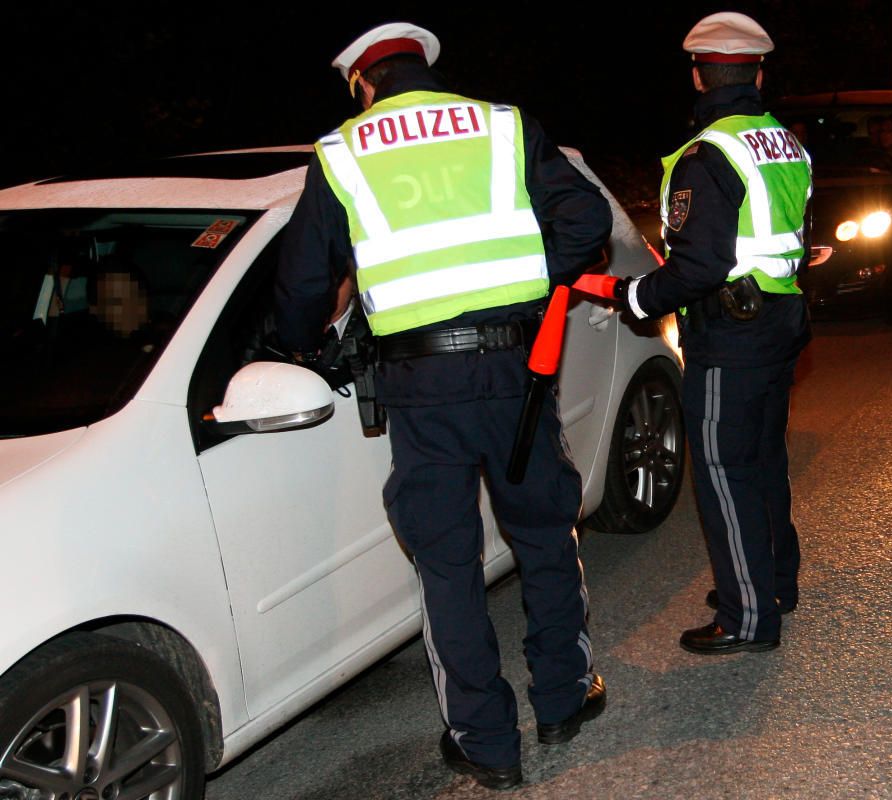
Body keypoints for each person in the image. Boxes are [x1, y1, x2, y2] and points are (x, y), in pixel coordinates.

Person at [274, 22, 612, 790]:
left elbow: (300, 283)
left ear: (361, 81)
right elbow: (586, 221)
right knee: (545, 532)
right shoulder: (501, 124)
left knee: (446, 563)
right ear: (425, 67)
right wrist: (530, 284)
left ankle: (486, 743)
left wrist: (300, 346)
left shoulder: (341, 152)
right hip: (516, 369)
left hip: (422, 388)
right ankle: (563, 699)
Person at [611, 12, 812, 655]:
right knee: (764, 461)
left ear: (698, 75)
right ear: (760, 71)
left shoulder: (708, 154)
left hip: (731, 333)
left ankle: (746, 616)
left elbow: (701, 264)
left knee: (725, 471)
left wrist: (639, 296)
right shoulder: (783, 140)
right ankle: (773, 582)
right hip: (780, 319)